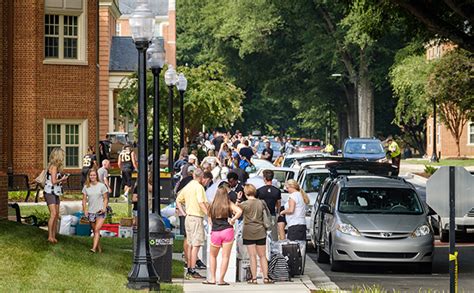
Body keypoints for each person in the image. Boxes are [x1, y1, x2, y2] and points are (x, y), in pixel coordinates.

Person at [203, 186, 242, 285]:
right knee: (225, 257)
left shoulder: (212, 205)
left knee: (212, 255)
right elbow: (239, 211)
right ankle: (221, 280)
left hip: (216, 232)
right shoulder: (228, 203)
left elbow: (209, 219)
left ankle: (212, 278)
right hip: (227, 231)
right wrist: (233, 220)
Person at [176, 168, 209, 279]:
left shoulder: (188, 186)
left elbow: (178, 199)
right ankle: (192, 269)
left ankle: (189, 268)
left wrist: (183, 212)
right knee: (196, 245)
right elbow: (201, 203)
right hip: (196, 218)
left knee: (190, 244)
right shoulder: (199, 188)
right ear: (201, 177)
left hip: (188, 217)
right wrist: (209, 215)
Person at [238, 184, 274, 284]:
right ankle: (266, 277)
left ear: (245, 193)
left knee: (252, 256)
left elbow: (236, 211)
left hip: (248, 231)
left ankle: (254, 278)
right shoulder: (261, 203)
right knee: (262, 256)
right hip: (261, 231)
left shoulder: (244, 204)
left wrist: (238, 199)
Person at [44, 147, 69, 244]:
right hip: (50, 192)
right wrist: (62, 179)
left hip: (56, 192)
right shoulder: (53, 167)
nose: (63, 157)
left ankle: (53, 236)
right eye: (62, 155)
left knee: (56, 215)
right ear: (58, 156)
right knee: (53, 214)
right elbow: (53, 181)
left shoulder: (56, 167)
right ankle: (50, 236)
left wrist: (62, 179)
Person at [82, 168, 108, 253]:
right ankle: (99, 248)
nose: (92, 176)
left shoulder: (102, 186)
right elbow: (84, 200)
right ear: (89, 176)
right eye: (91, 175)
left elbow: (105, 199)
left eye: (94, 175)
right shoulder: (86, 187)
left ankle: (93, 249)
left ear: (97, 176)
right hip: (91, 212)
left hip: (100, 212)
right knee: (95, 231)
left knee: (96, 229)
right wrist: (85, 210)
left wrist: (104, 208)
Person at [256, 170, 281, 240]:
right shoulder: (277, 191)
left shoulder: (259, 191)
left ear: (264, 178)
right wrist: (278, 213)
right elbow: (278, 203)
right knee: (273, 235)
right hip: (272, 214)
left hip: (262, 216)